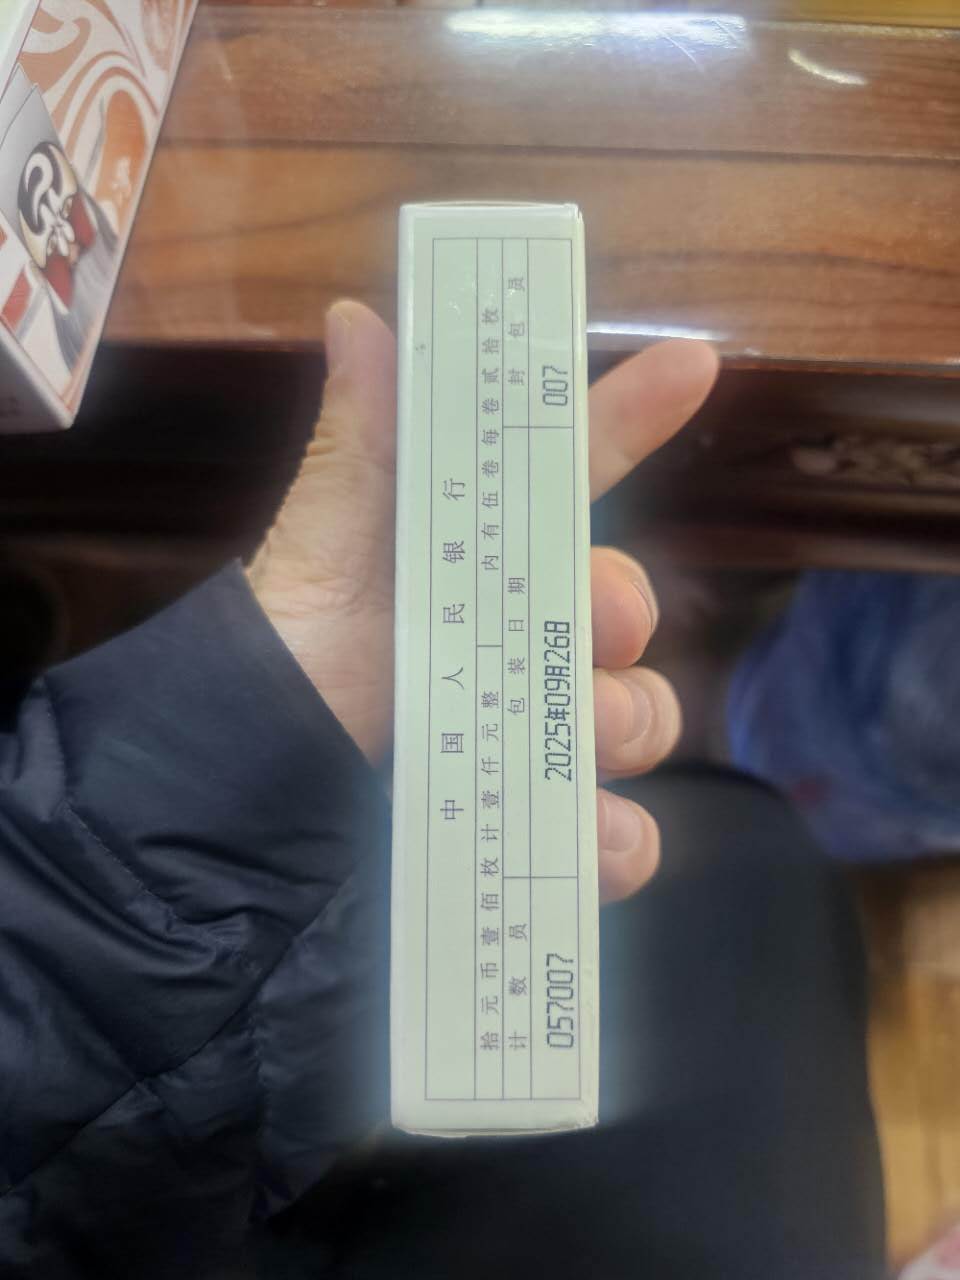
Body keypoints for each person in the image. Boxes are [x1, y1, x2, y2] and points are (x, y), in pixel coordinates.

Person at [0, 304, 884, 1278]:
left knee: (731, 852)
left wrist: (232, 756)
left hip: (125, 1156)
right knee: (745, 854)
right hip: (147, 1184)